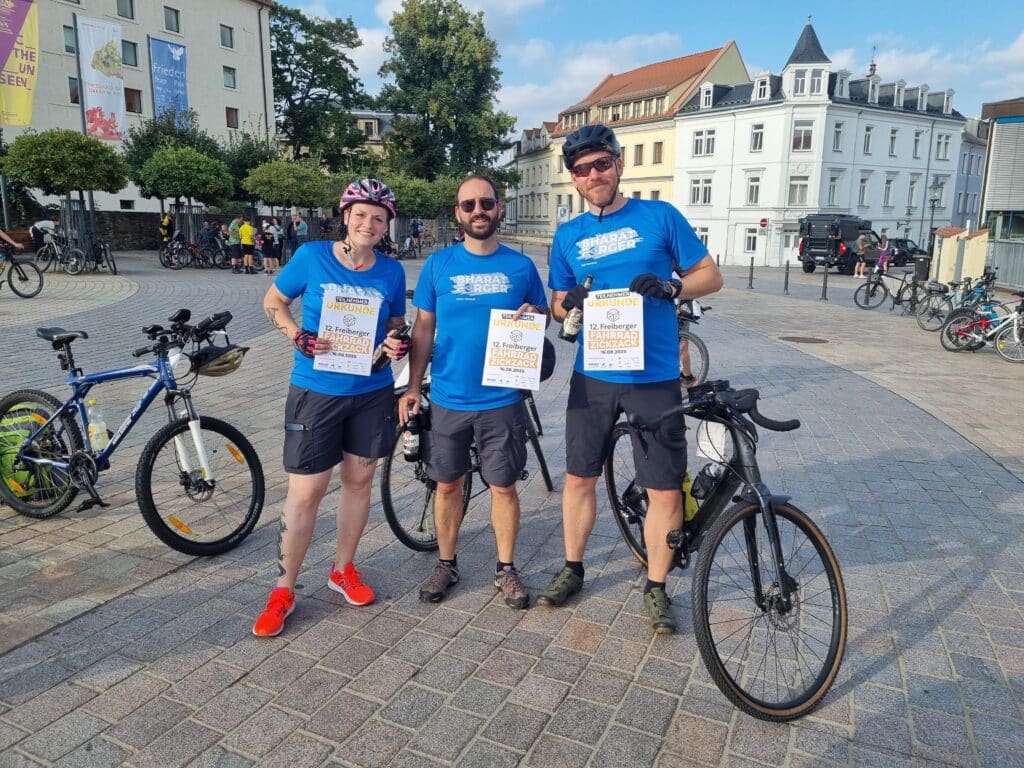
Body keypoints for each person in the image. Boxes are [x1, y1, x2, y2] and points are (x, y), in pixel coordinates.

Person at [544, 123, 724, 634]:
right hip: (593, 375)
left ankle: (657, 585)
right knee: (578, 477)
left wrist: (673, 288)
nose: (593, 175)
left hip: (653, 375)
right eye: (582, 169)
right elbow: (557, 305)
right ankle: (574, 568)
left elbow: (711, 275)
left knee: (663, 489)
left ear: (619, 165)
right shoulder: (568, 235)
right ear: (574, 179)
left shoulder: (660, 217)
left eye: (602, 164)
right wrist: (568, 305)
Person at [255, 179, 409, 637]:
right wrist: (296, 335)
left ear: (386, 225)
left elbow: (396, 324)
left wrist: (395, 343)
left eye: (378, 218)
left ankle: (343, 569)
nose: (369, 224)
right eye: (361, 215)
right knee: (307, 491)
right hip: (316, 390)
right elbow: (274, 301)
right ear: (345, 216)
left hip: (371, 391)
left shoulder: (391, 271)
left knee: (358, 483)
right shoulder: (312, 256)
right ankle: (283, 589)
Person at [399, 175, 548, 610]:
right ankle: (446, 563)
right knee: (447, 485)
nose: (478, 210)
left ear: (498, 208)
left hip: (502, 400)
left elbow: (543, 317)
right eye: (469, 205)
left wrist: (536, 315)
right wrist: (413, 387)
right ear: (458, 213)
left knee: (503, 487)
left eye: (486, 203)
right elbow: (423, 329)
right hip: (449, 398)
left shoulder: (521, 267)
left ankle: (506, 568)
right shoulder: (439, 265)